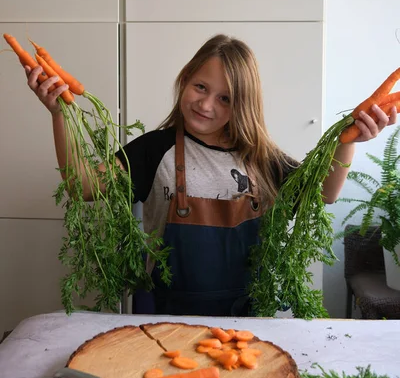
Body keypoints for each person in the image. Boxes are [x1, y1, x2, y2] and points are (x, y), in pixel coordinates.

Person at [25, 34, 397, 316]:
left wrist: (349, 141)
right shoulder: (155, 150)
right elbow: (82, 187)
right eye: (201, 87)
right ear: (185, 79)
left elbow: (323, 193)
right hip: (165, 314)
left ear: (243, 104)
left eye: (225, 98)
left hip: (247, 316)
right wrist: (60, 115)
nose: (205, 104)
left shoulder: (261, 158)